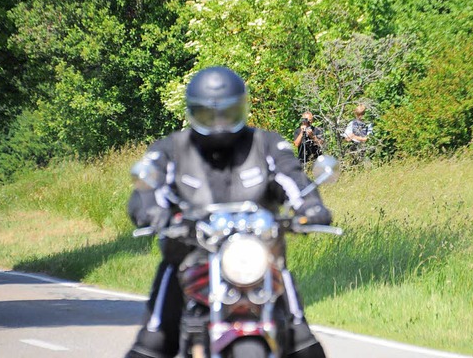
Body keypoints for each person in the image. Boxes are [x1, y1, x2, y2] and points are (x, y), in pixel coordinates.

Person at [125, 66, 330, 358]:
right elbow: (147, 189)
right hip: (190, 259)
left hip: (256, 260)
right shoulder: (171, 149)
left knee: (303, 342)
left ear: (242, 108)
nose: (219, 122)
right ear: (193, 112)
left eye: (228, 112)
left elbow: (293, 179)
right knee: (153, 342)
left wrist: (310, 207)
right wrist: (152, 213)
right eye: (209, 114)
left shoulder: (267, 145)